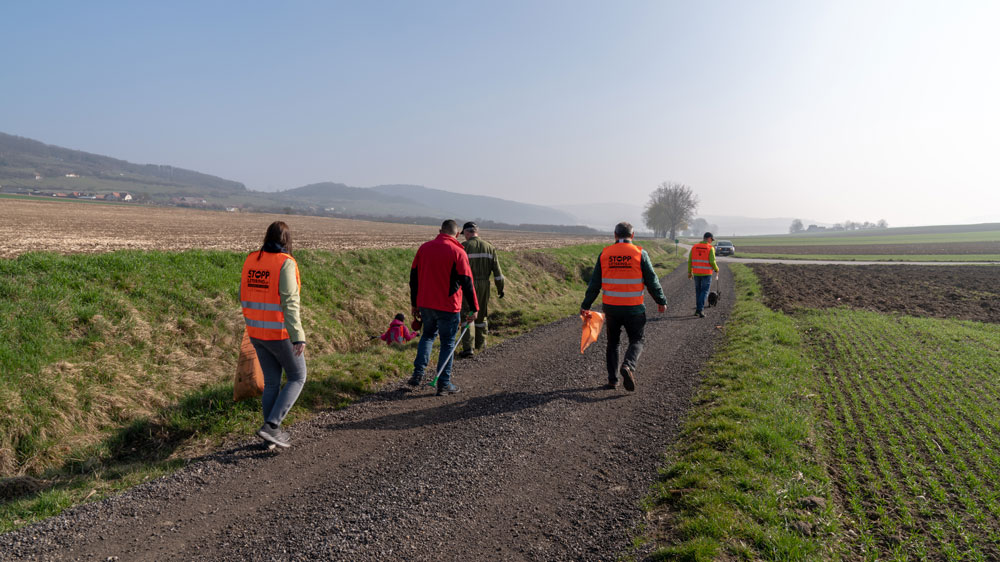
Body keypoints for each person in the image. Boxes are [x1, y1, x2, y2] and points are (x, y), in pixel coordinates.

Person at [240, 221, 306, 448]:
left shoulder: (251, 259)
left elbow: (244, 294)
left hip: (255, 332)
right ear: (287, 240)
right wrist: (298, 335)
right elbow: (289, 302)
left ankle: (268, 438)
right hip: (279, 333)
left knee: (271, 383)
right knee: (298, 377)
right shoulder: (284, 263)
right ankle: (272, 426)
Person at [580, 222, 667, 392]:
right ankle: (628, 365)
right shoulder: (640, 254)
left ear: (615, 235)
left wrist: (586, 305)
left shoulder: (605, 254)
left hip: (611, 308)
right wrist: (660, 300)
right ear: (632, 236)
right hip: (634, 308)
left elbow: (595, 283)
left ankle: (613, 381)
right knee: (637, 340)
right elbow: (652, 280)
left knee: (613, 343)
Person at [407, 220, 479, 395]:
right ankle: (444, 384)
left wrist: (415, 303)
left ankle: (418, 373)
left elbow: (413, 278)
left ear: (440, 230)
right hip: (449, 305)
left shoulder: (423, 248)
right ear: (456, 234)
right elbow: (467, 282)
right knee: (447, 342)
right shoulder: (458, 251)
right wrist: (474, 308)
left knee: (428, 336)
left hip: (425, 304)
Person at [457, 221, 504, 357]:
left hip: (468, 284)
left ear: (466, 232)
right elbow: (498, 274)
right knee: (481, 314)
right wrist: (500, 289)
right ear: (477, 232)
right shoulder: (489, 247)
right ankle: (481, 344)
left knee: (467, 314)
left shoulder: (463, 247)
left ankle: (468, 348)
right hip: (484, 285)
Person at [688, 231, 719, 318]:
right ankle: (700, 310)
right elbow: (712, 261)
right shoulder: (710, 248)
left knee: (698, 291)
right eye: (711, 240)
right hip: (706, 273)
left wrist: (689, 272)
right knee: (705, 291)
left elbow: (690, 261)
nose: (711, 241)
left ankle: (698, 310)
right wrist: (716, 269)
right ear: (708, 238)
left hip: (696, 273)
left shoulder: (694, 247)